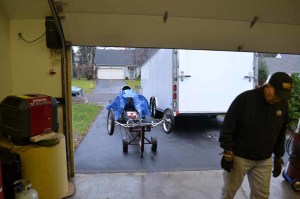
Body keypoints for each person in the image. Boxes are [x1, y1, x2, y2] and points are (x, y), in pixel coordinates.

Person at [219, 72, 293, 199]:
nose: (278, 99)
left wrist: (278, 157)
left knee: (262, 196)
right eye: (277, 94)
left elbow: (280, 132)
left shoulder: (282, 104)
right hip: (239, 157)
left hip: (264, 159)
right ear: (268, 86)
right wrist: (228, 150)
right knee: (228, 193)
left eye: (282, 97)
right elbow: (228, 126)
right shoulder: (245, 99)